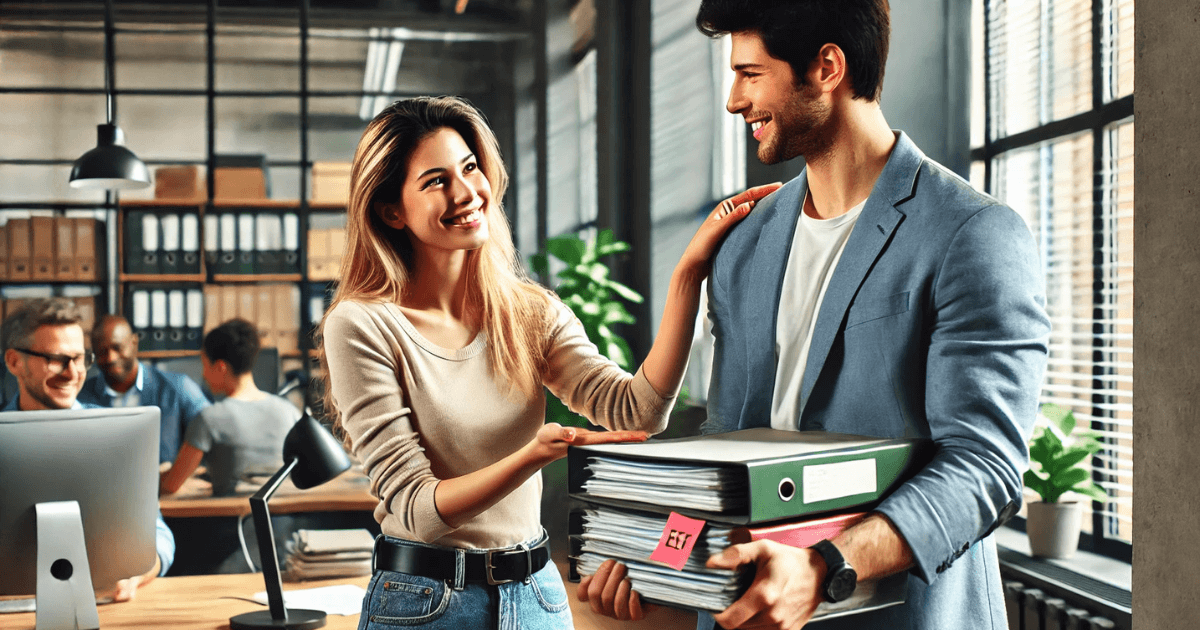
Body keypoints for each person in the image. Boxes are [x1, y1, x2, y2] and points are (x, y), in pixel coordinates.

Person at [579, 2, 1053, 629]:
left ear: (827, 66)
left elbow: (983, 467)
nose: (733, 100)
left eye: (751, 74)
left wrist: (825, 567)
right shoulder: (743, 243)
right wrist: (660, 559)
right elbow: (726, 453)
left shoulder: (973, 234)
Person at [319, 95, 777, 629]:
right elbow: (419, 509)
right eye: (435, 181)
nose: (467, 193)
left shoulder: (530, 312)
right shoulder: (361, 325)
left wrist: (687, 278)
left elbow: (639, 411)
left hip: (537, 594)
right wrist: (535, 454)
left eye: (470, 168)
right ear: (391, 210)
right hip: (426, 603)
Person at [1, 298, 175, 601]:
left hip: (101, 604)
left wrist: (139, 572)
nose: (72, 373)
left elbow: (158, 535)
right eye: (57, 359)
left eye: (80, 359)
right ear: (15, 362)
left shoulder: (117, 434)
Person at [160, 318, 302, 497]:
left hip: (232, 519)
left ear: (220, 367)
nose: (203, 374)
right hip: (282, 518)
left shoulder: (209, 418)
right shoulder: (289, 411)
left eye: (205, 365)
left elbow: (170, 485)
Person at [78, 314, 211, 464]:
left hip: (161, 485)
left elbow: (213, 427)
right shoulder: (82, 397)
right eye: (102, 352)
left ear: (134, 343)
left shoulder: (178, 386)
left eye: (117, 348)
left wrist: (178, 477)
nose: (111, 358)